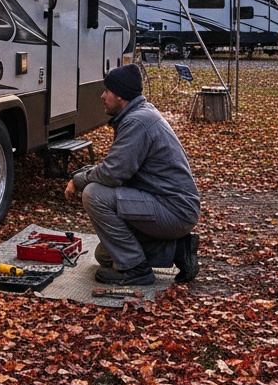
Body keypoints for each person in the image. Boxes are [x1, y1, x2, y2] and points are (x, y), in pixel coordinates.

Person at [64, 62, 200, 286]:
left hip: (173, 209)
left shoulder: (137, 121)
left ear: (120, 96)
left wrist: (78, 180)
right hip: (169, 206)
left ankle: (136, 270)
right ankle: (177, 250)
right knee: (105, 255)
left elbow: (111, 174)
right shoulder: (138, 114)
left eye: (106, 91)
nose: (102, 96)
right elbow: (117, 168)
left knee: (94, 194)